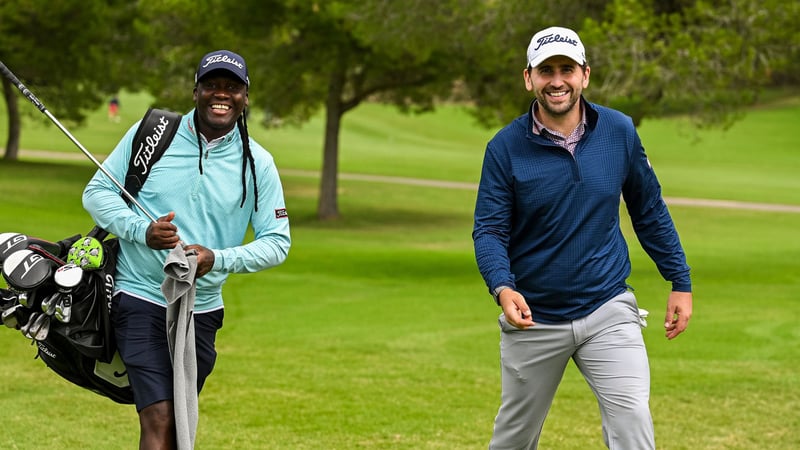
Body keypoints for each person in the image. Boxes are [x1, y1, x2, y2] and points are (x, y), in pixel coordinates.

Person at [472, 26, 692, 450]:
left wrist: (679, 279)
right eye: (546, 70)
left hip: (607, 306)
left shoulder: (619, 131)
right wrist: (502, 286)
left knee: (632, 419)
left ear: (585, 75)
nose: (557, 80)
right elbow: (490, 230)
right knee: (512, 440)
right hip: (535, 316)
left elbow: (648, 209)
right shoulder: (504, 148)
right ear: (528, 78)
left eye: (567, 69)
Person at [83, 50, 291, 449]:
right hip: (140, 294)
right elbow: (97, 193)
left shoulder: (258, 164)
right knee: (158, 418)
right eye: (212, 85)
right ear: (195, 90)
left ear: (245, 97)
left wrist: (218, 258)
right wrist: (142, 230)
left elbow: (277, 242)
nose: (221, 94)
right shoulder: (154, 133)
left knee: (179, 424)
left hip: (202, 308)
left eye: (232, 88)